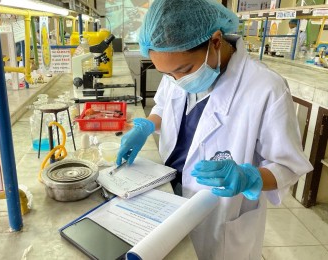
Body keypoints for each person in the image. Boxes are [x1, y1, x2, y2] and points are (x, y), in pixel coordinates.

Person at [116, 0, 313, 259]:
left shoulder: (267, 88)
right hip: (168, 195)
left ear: (216, 41)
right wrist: (146, 125)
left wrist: (249, 177)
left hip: (218, 215)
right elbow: (163, 105)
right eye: (168, 75)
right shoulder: (176, 71)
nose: (178, 81)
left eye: (184, 70)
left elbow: (288, 166)